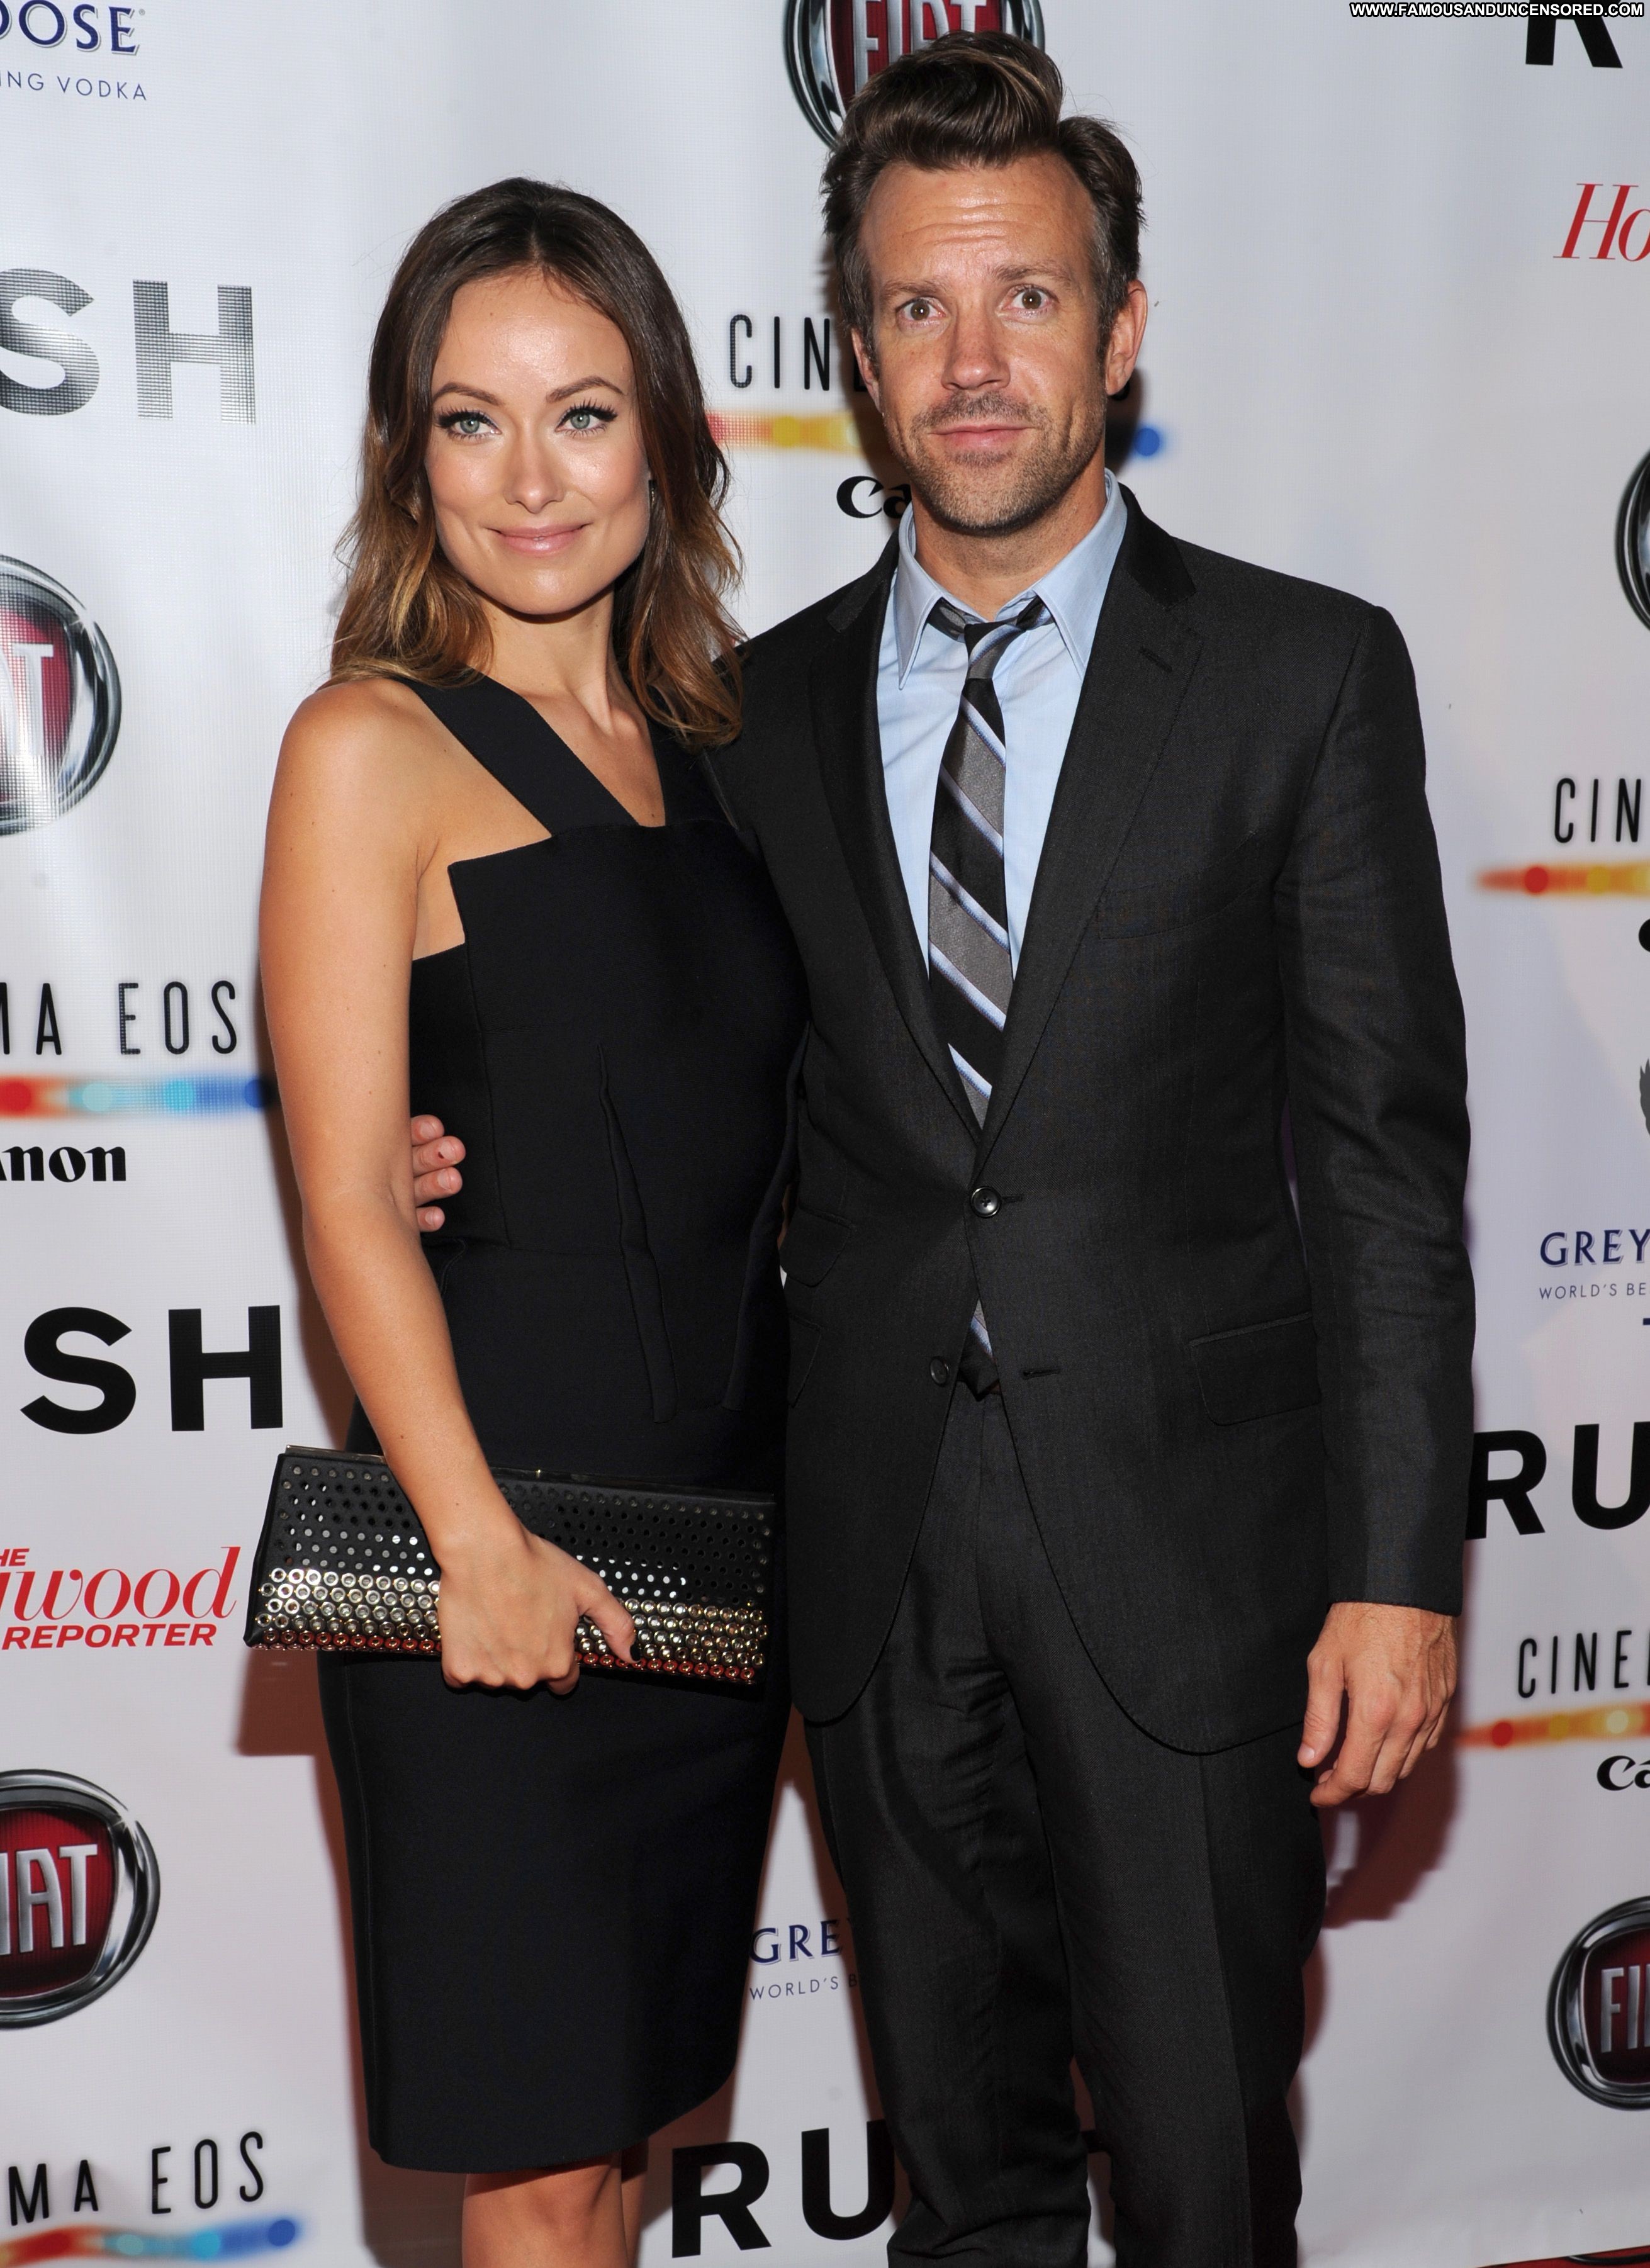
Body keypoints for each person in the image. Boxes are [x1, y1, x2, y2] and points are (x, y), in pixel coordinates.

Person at [412, 34, 1474, 2268]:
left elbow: (1388, 1162)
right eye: (917, 306)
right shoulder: (745, 715)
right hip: (874, 1558)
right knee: (961, 2187)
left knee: (1202, 2176)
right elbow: (661, 1053)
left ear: (1123, 327)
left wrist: (1401, 1569)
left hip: (1195, 1566)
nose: (973, 361)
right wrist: (448, 1148)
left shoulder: (1301, 676)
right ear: (860, 355)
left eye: (1026, 297)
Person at [261, 179, 803, 2268]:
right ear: (410, 458)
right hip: (494, 1546)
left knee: (620, 2144)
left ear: (663, 435)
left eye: (582, 413)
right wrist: (475, 1543)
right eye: (469, 422)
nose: (531, 478)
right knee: (544, 2162)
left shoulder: (722, 757)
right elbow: (346, 1195)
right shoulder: (368, 746)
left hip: (712, 1555)